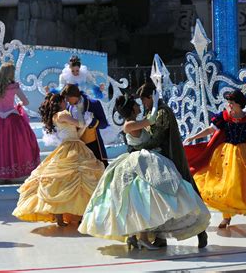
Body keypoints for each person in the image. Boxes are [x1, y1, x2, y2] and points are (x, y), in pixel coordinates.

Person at [78, 93, 210, 250]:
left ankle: (139, 237)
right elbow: (152, 121)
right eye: (137, 104)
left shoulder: (135, 122)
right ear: (132, 108)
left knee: (144, 199)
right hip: (139, 161)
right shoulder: (129, 125)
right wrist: (155, 103)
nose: (140, 105)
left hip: (147, 159)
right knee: (137, 199)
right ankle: (140, 237)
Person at [183, 90, 246, 230]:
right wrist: (194, 137)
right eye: (229, 103)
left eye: (232, 103)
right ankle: (227, 216)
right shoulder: (224, 117)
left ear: (239, 104)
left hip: (245, 152)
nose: (229, 105)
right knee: (226, 185)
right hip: (226, 154)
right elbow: (210, 130)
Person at [131, 82, 208, 248]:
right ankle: (160, 236)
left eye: (144, 100)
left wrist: (137, 147)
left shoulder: (162, 112)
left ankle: (201, 231)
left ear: (151, 97)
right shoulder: (152, 111)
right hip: (157, 160)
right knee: (160, 200)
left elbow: (157, 137)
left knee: (185, 194)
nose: (143, 104)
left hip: (170, 158)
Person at [13, 92, 104, 226]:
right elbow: (79, 124)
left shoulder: (57, 116)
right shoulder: (63, 114)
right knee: (72, 178)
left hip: (71, 143)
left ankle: (60, 217)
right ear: (60, 102)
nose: (66, 103)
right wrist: (86, 120)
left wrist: (85, 124)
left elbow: (77, 133)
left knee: (61, 181)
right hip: (72, 147)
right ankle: (79, 215)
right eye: (64, 101)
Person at [0, 61, 40, 180]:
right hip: (12, 116)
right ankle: (12, 172)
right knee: (15, 145)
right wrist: (18, 104)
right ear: (11, 74)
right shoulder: (14, 86)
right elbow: (26, 102)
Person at [61, 84, 109, 167]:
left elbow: (104, 124)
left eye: (67, 98)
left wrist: (92, 122)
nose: (66, 101)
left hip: (94, 145)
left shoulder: (94, 104)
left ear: (74, 95)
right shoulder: (68, 108)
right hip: (78, 147)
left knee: (101, 170)